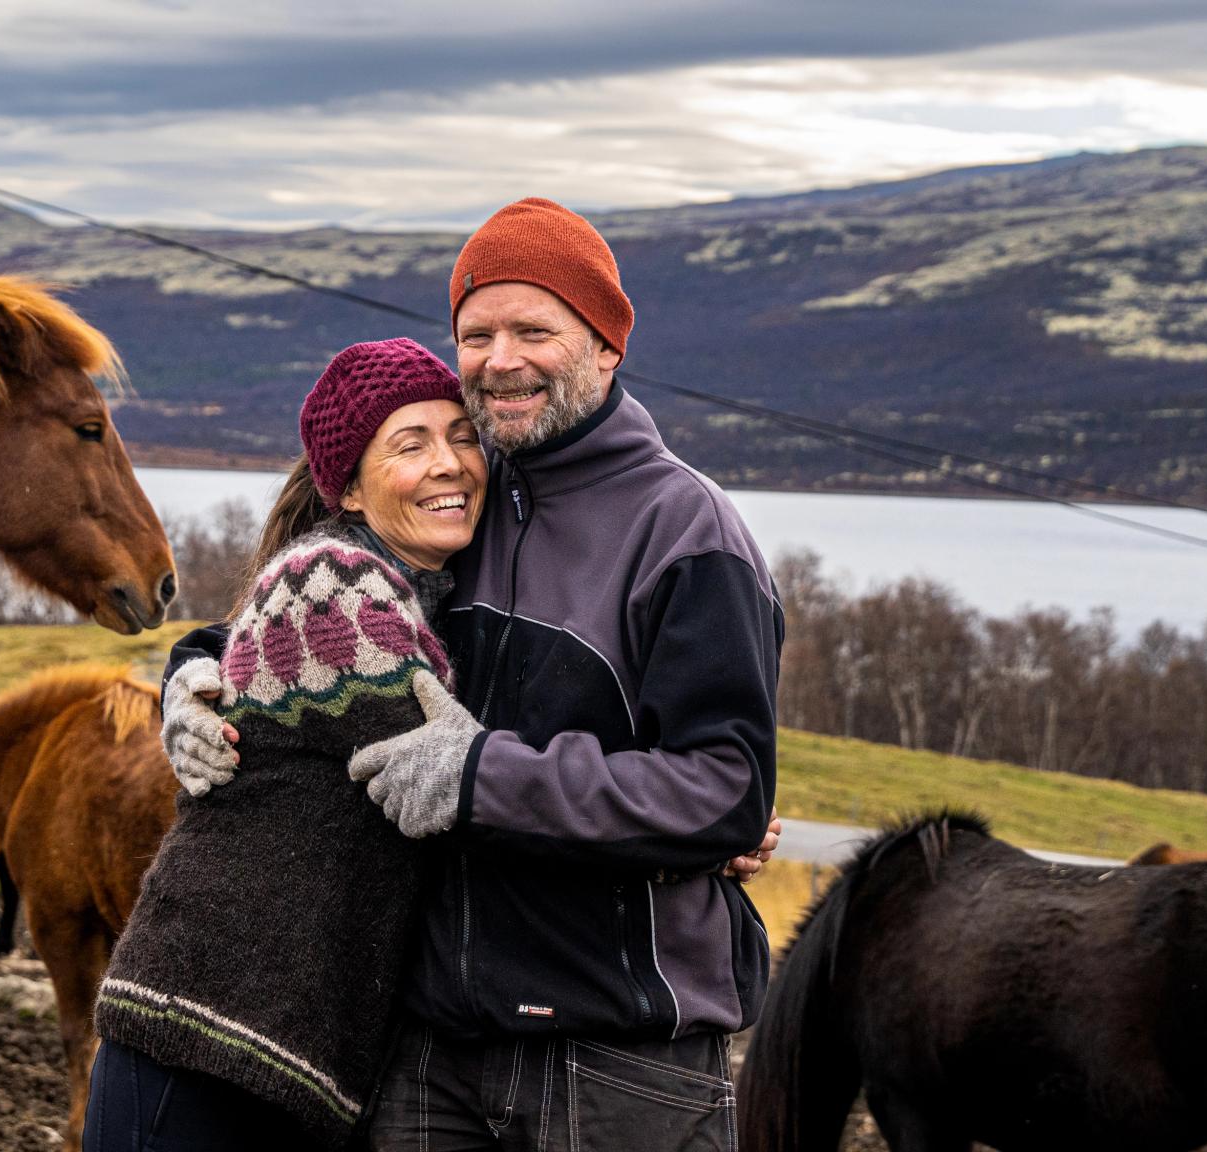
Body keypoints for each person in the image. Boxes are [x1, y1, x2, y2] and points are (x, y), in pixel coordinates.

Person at [164, 198, 784, 1151]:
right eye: (477, 333)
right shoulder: (464, 496)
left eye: (535, 329)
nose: (502, 359)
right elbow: (313, 614)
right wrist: (196, 670)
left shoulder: (686, 533)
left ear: (608, 345)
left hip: (619, 1063)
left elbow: (727, 790)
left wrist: (480, 776)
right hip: (426, 1057)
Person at [85, 338, 486, 1151]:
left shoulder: (417, 587)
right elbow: (456, 789)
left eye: (463, 435)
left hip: (270, 1053)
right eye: (411, 445)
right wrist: (669, 817)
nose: (449, 462)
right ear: (349, 490)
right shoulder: (333, 585)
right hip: (202, 1040)